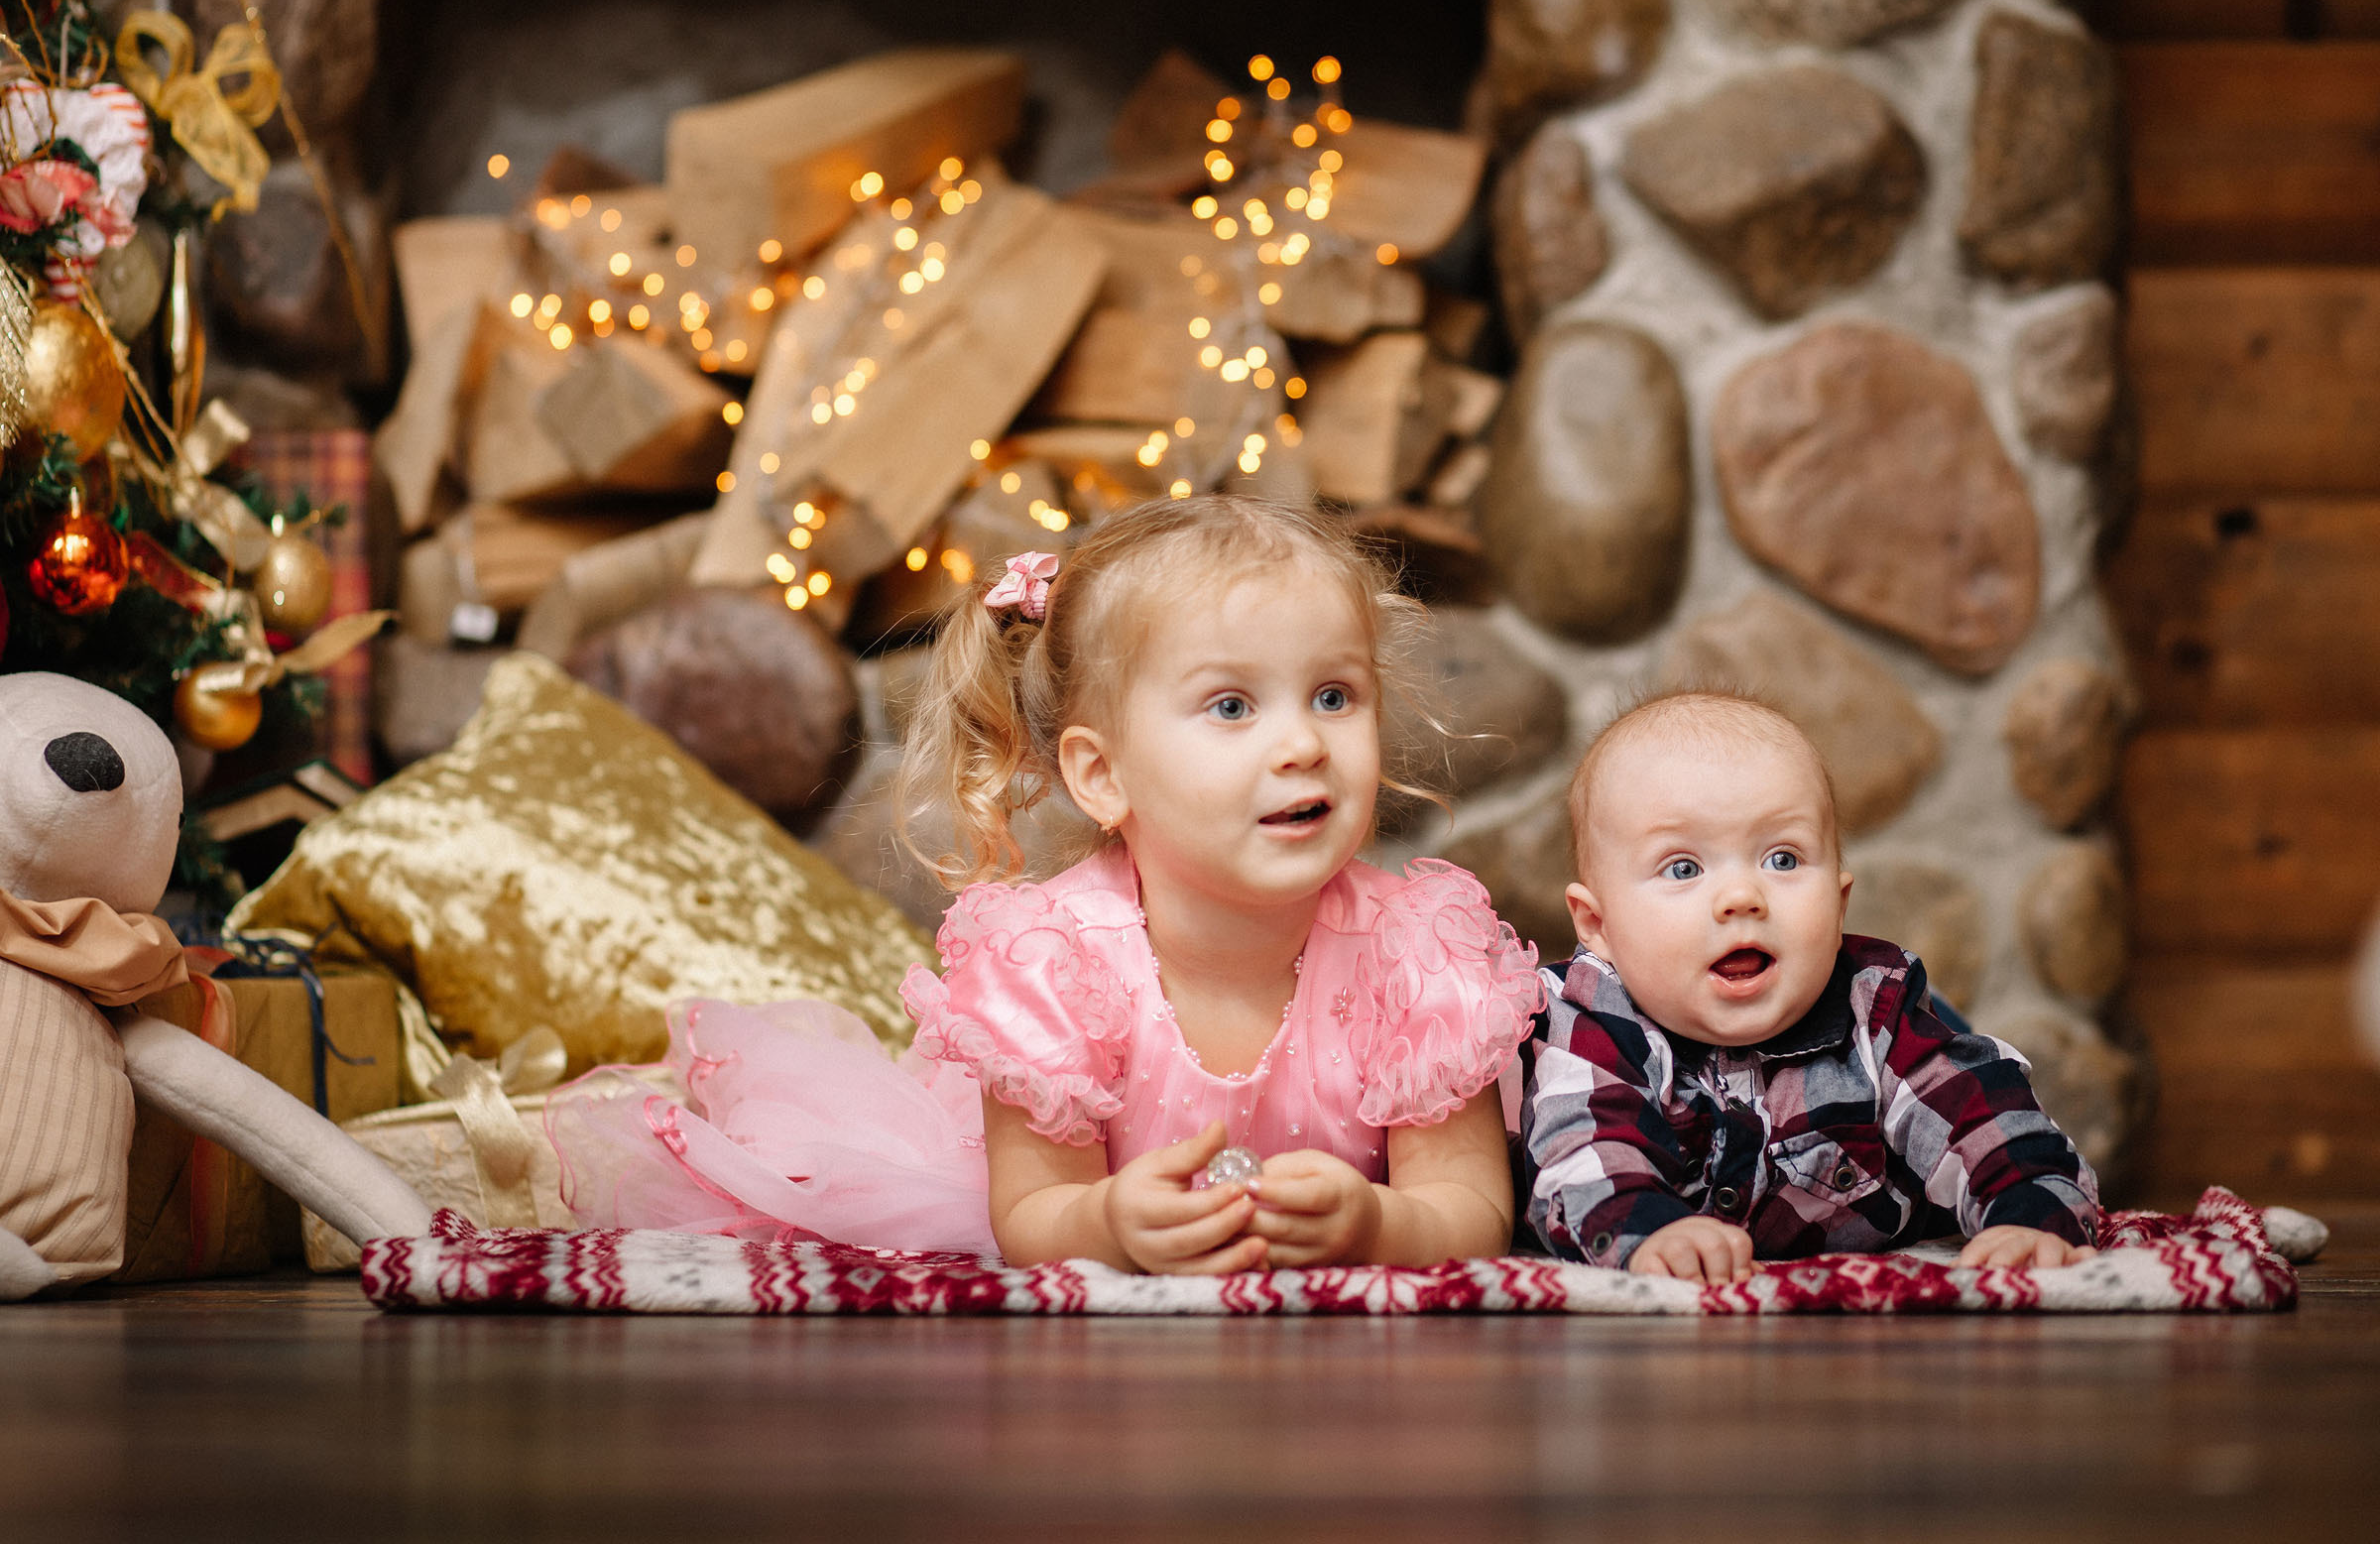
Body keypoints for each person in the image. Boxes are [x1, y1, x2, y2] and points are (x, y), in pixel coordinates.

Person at [550, 495, 1543, 1272]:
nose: (1301, 744)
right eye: (1232, 705)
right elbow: (1031, 1216)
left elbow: (1471, 1211)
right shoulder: (1054, 961)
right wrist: (1110, 1220)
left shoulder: (1418, 949)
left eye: (1335, 695)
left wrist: (1379, 1223)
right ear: (1100, 773)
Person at [1519, 689, 2100, 1284]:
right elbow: (1581, 1149)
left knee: (1956, 1058)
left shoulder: (1875, 1008)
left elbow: (1979, 1114)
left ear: (1839, 901)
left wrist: (2030, 1210)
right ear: (1598, 926)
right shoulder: (1584, 1018)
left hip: (1905, 1074)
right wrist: (1650, 1231)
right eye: (1683, 868)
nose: (1742, 897)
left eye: (1783, 859)